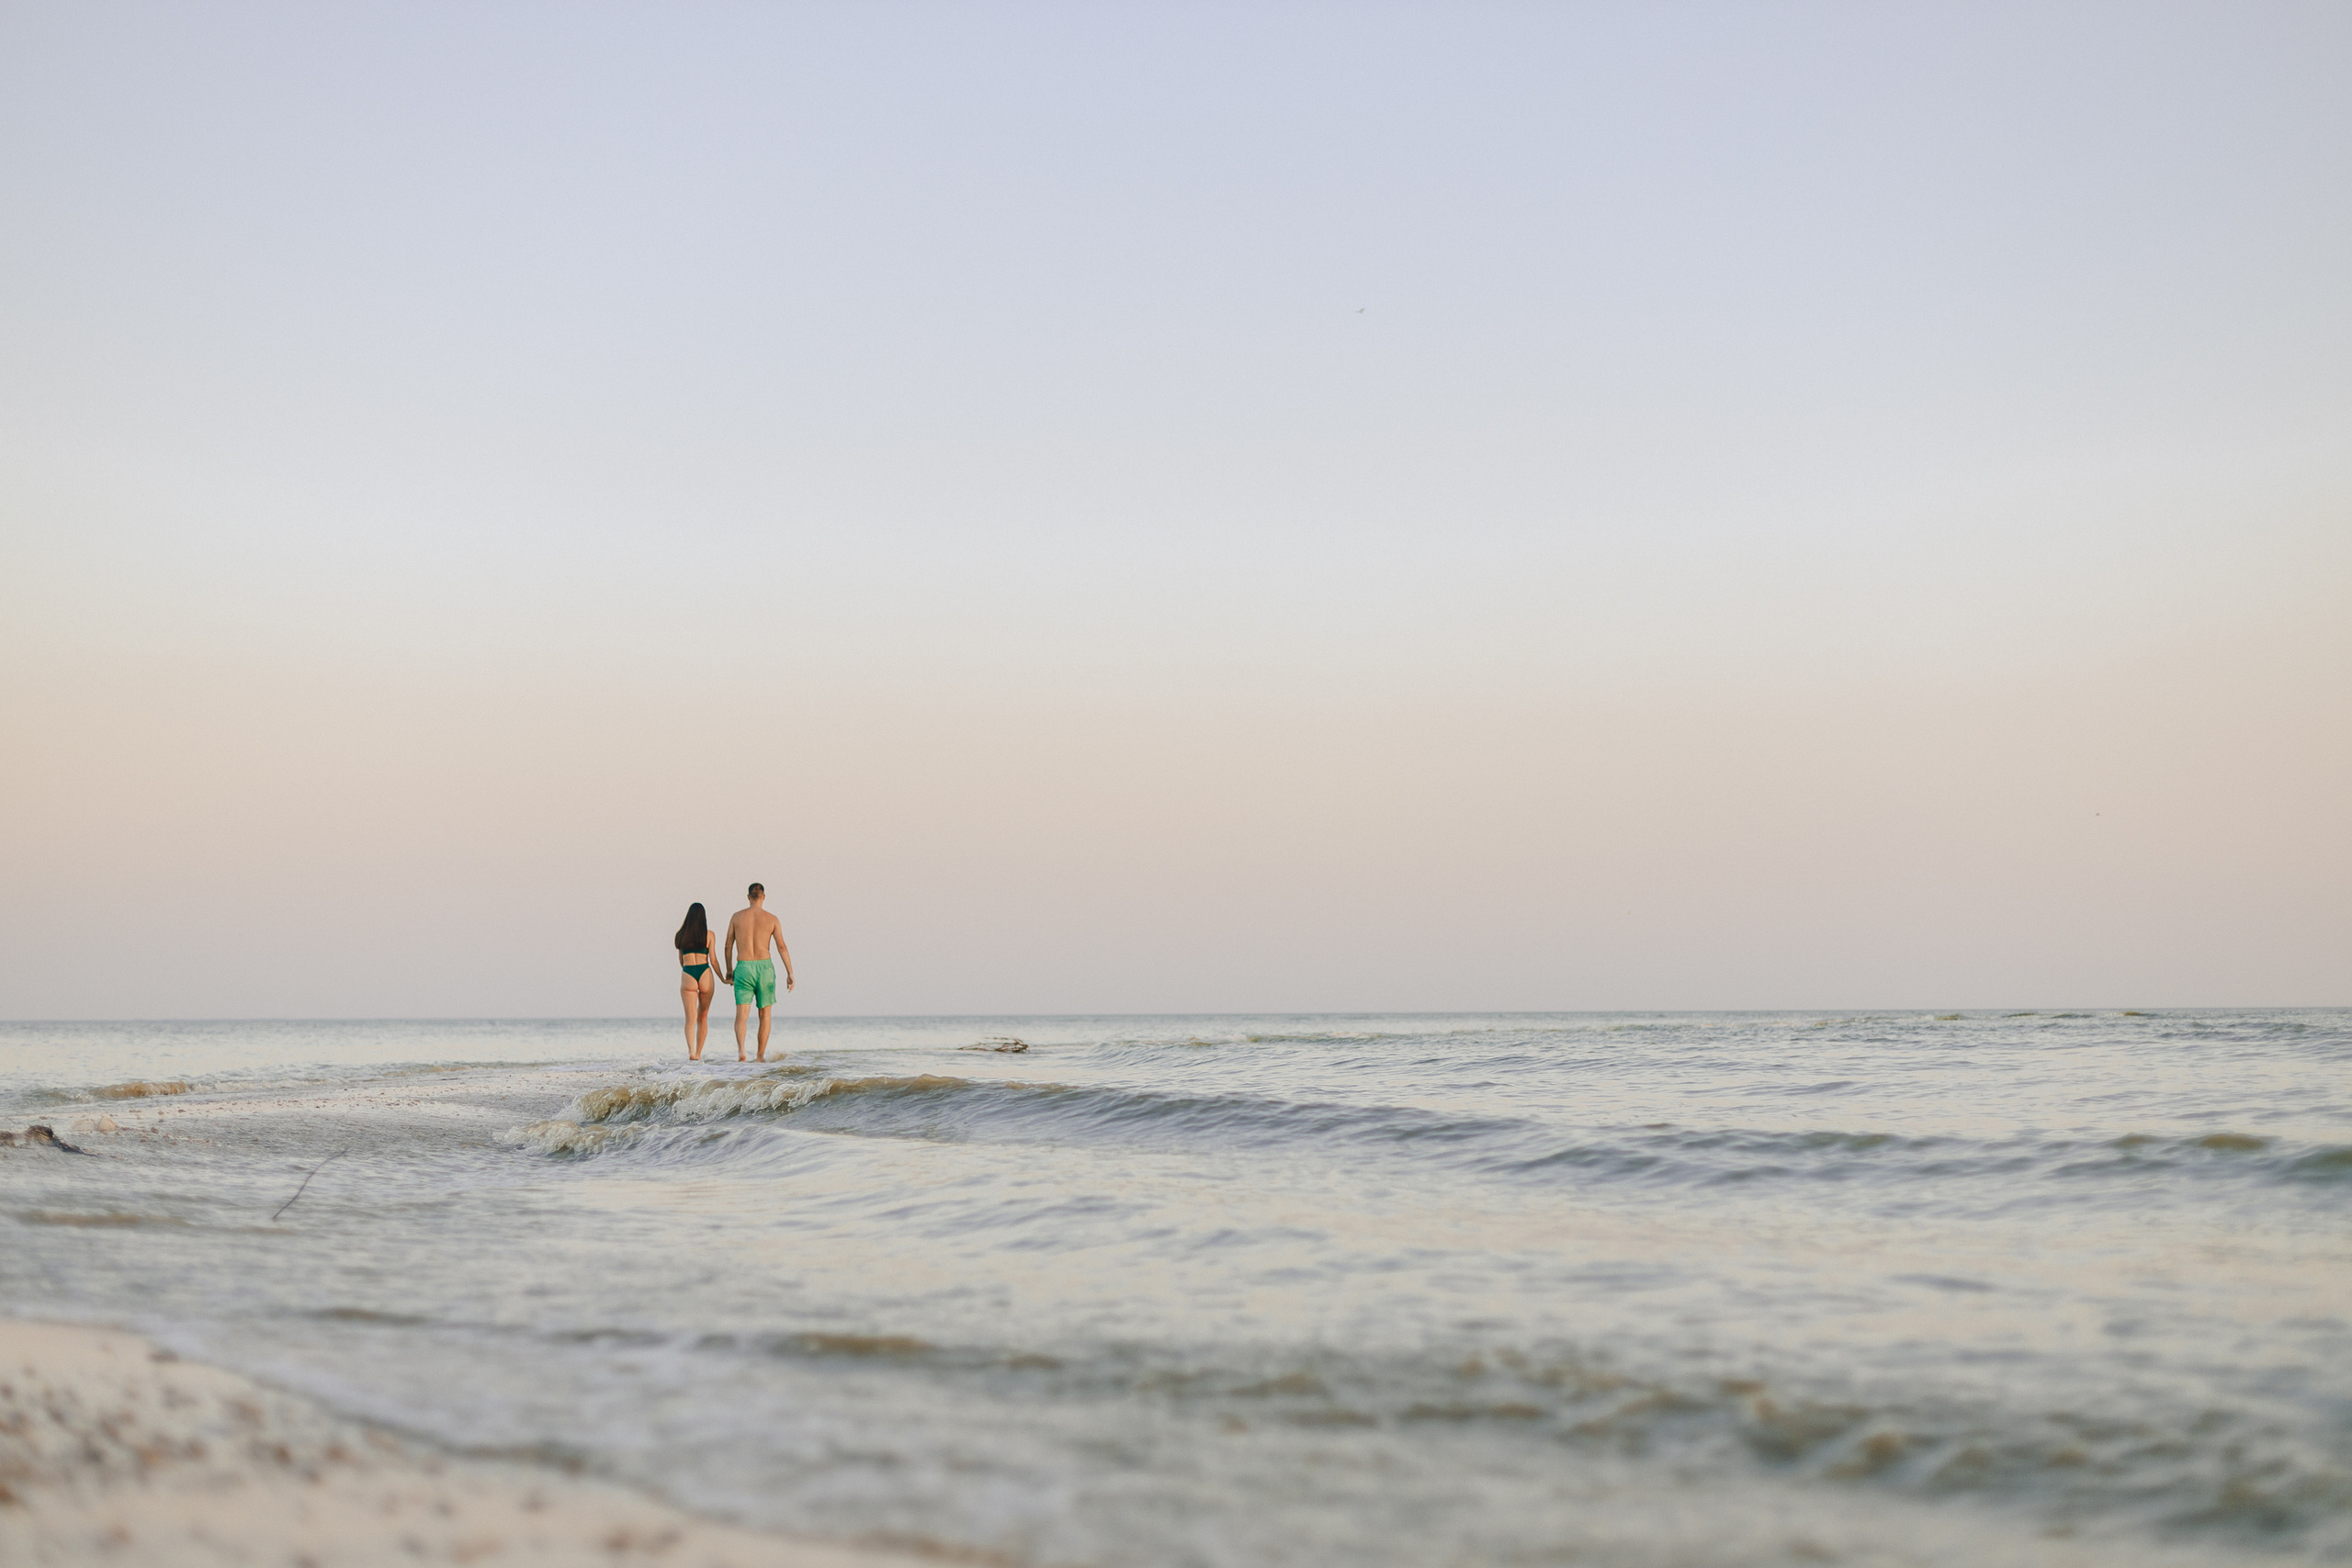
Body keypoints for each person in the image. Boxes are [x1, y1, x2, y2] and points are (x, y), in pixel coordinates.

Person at [725, 882, 796, 1062]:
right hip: (765, 968)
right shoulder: (772, 919)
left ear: (748, 897)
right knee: (765, 1014)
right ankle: (759, 1056)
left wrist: (729, 970)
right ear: (763, 897)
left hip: (744, 966)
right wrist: (790, 972)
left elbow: (728, 945)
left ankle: (741, 1052)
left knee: (742, 1014)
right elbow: (782, 946)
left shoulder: (737, 917)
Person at [673, 902, 719, 1060]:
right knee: (703, 1016)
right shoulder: (709, 935)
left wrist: (687, 970)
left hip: (688, 973)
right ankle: (699, 1053)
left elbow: (681, 960)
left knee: (690, 1018)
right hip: (704, 972)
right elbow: (713, 961)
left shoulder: (680, 935)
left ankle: (691, 1052)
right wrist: (724, 978)